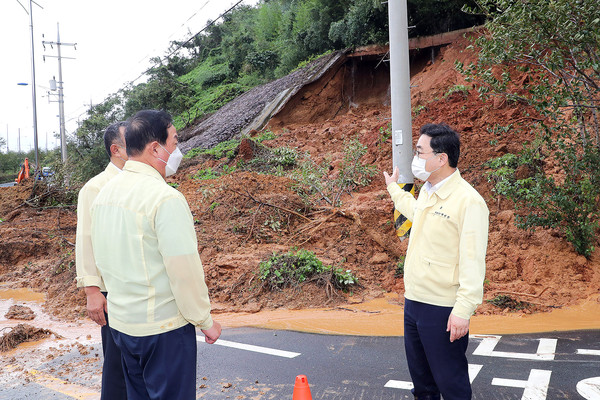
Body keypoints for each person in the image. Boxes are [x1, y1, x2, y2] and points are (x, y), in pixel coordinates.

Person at [90, 109, 221, 399]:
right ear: (155, 148)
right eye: (174, 143)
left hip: (123, 328)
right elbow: (183, 271)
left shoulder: (103, 196)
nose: (177, 150)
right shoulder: (165, 198)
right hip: (163, 331)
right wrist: (205, 321)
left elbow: (101, 258)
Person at [383, 123, 489, 400]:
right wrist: (394, 190)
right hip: (414, 301)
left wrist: (463, 310)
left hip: (442, 308)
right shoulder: (429, 189)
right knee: (422, 383)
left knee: (450, 382)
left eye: (420, 152)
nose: (415, 159)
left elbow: (473, 261)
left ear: (441, 158)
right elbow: (417, 212)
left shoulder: (469, 202)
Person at [75, 121, 128, 400]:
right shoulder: (95, 188)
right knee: (118, 366)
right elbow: (86, 239)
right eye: (131, 138)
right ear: (116, 149)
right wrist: (92, 290)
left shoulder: (142, 182)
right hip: (111, 290)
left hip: (137, 289)